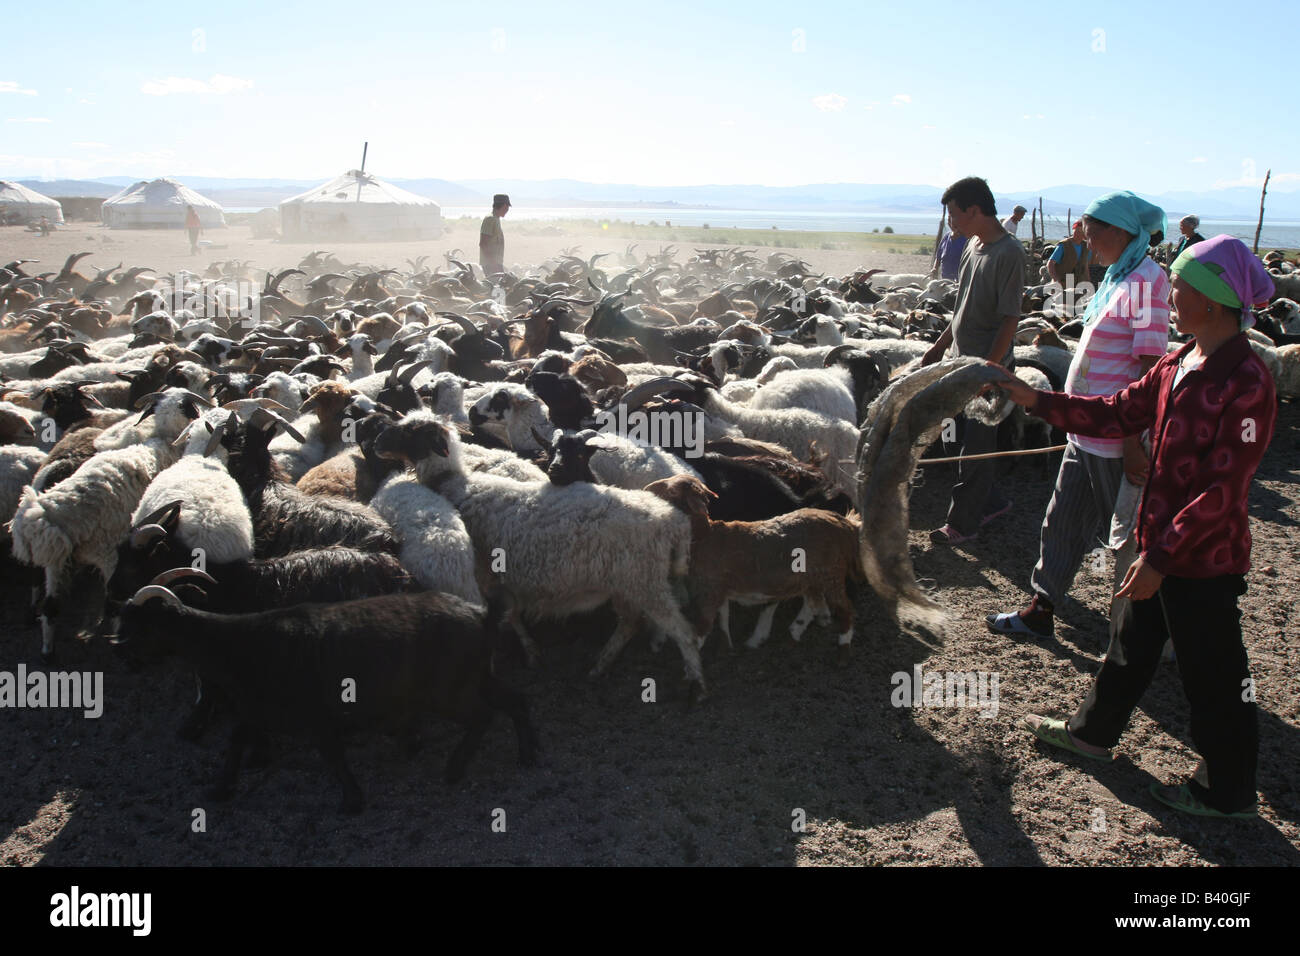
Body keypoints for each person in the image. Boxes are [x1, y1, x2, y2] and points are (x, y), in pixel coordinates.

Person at [1000, 234, 1277, 819]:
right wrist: (1036, 400)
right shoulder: (1180, 362)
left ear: (1214, 300)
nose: (1171, 294)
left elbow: (1223, 490)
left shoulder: (1247, 382)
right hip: (1157, 543)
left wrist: (1160, 558)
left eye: (1180, 286)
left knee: (1216, 675)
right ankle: (1091, 734)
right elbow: (1116, 409)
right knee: (1130, 644)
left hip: (1200, 559)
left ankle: (1226, 792)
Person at [987, 192, 1169, 640]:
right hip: (1083, 431)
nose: (1088, 241)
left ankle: (1144, 636)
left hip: (1114, 437)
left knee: (1127, 538)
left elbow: (1149, 367)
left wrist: (1131, 442)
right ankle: (1042, 608)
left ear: (1121, 231)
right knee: (1062, 521)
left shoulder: (1146, 281)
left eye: (1094, 232)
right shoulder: (1117, 278)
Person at [921, 176, 1025, 544]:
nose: (951, 222)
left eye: (953, 214)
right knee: (952, 439)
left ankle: (963, 523)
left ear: (974, 210)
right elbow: (961, 305)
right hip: (957, 362)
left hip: (987, 368)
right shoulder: (971, 246)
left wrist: (990, 370)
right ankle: (991, 500)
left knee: (976, 446)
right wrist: (939, 346)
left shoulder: (1009, 253)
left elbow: (1010, 318)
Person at [1045, 219, 1092, 313]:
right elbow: (1050, 264)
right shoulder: (1064, 245)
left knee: (1078, 310)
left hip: (1079, 284)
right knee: (1060, 310)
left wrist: (1088, 282)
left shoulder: (1086, 247)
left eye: (1080, 231)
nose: (1077, 234)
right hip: (1063, 283)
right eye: (1076, 231)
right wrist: (1056, 280)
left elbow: (1085, 265)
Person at [479, 193, 510, 278]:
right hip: (491, 264)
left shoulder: (496, 219)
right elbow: (483, 243)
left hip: (495, 263)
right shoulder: (490, 219)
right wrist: (493, 264)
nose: (507, 210)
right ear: (504, 206)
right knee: (497, 288)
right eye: (507, 207)